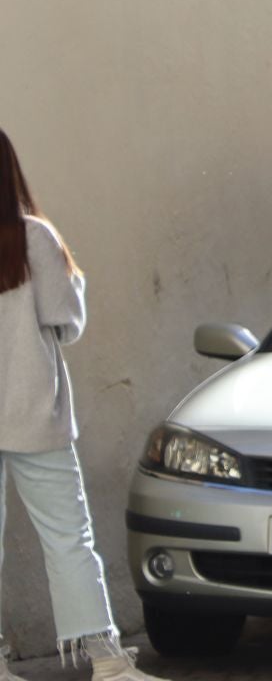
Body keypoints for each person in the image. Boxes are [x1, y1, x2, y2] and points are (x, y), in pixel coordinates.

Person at [0, 131, 166, 681]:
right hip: (34, 414)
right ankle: (107, 663)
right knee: (70, 539)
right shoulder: (32, 238)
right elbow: (67, 324)